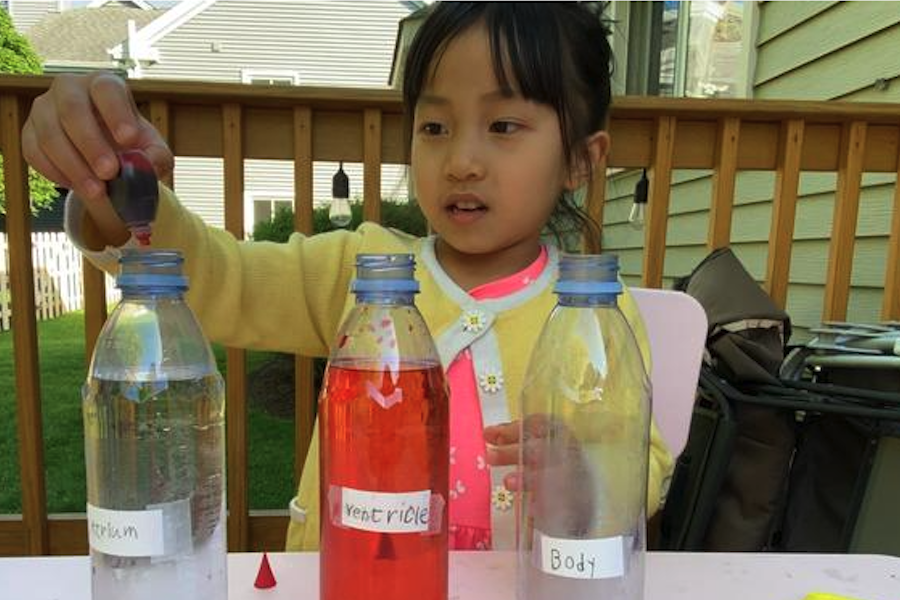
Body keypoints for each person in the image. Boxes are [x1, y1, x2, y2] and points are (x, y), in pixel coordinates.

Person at [22, 2, 673, 552]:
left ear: (582, 161)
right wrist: (115, 192)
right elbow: (219, 278)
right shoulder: (357, 274)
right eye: (435, 126)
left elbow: (641, 460)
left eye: (503, 125)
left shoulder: (592, 315)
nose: (462, 161)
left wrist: (585, 481)